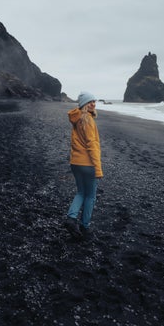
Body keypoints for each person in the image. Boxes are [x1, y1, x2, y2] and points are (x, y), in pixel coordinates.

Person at [64, 91, 103, 238]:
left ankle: (71, 218)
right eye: (90, 101)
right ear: (84, 104)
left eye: (94, 101)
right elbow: (92, 145)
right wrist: (98, 169)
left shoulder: (77, 118)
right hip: (87, 164)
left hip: (75, 163)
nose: (93, 103)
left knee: (81, 192)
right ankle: (85, 226)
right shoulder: (88, 120)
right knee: (90, 196)